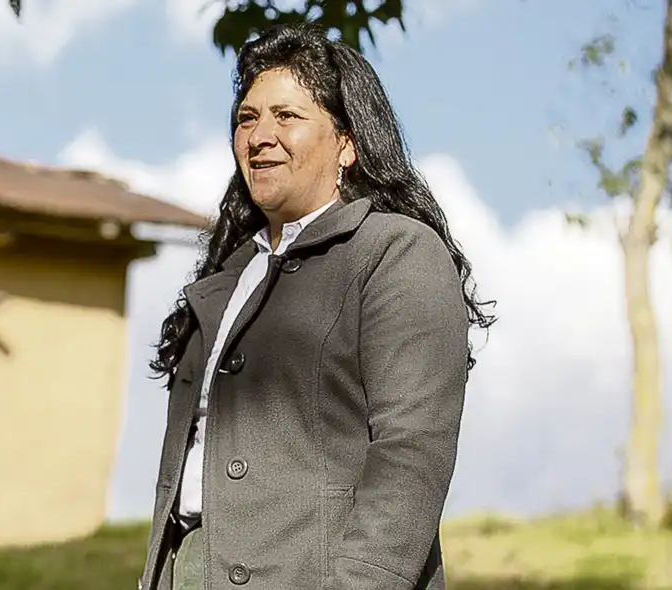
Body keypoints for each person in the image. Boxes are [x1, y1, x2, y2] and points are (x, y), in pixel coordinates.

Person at [136, 22, 495, 590]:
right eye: (247, 118)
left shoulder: (395, 252)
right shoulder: (228, 279)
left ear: (347, 143)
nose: (259, 135)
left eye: (288, 116)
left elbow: (411, 452)